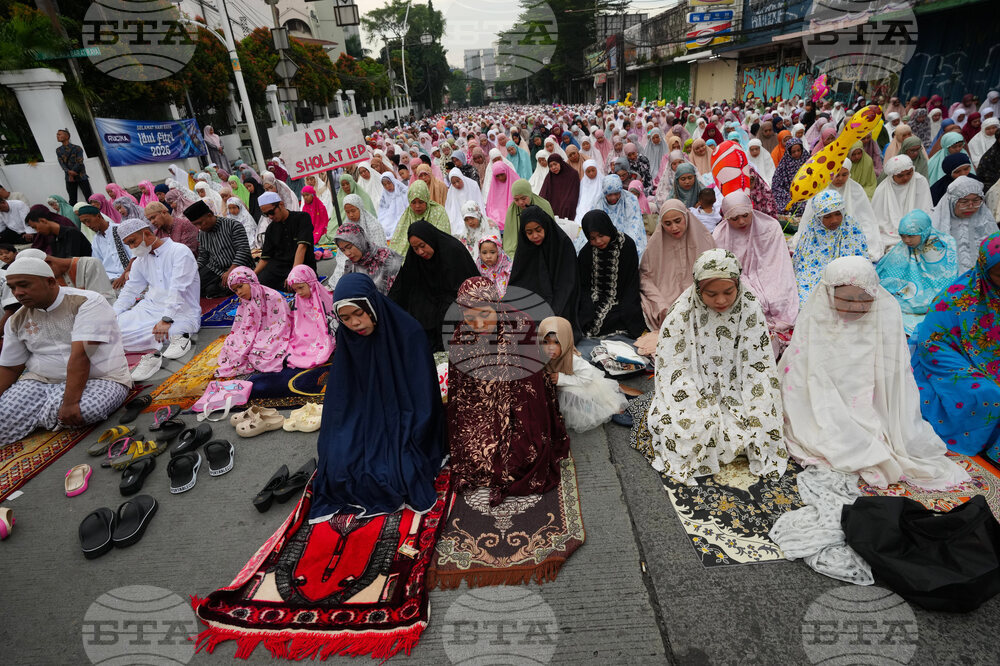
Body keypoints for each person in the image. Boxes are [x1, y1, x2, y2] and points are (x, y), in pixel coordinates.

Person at [782, 256, 970, 489]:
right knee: (824, 428)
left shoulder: (882, 321)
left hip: (868, 398)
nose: (857, 306)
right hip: (823, 396)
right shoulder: (817, 321)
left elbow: (891, 377)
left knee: (872, 433)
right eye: (847, 299)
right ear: (829, 296)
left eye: (865, 298)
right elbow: (804, 374)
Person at [634, 249, 787, 486]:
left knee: (763, 423)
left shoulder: (749, 307)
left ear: (738, 285)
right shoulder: (682, 313)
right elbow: (674, 369)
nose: (721, 301)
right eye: (711, 293)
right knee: (690, 426)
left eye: (728, 292)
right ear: (697, 289)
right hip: (694, 387)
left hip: (740, 387)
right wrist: (697, 398)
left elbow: (759, 365)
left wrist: (753, 398)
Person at [309, 273, 445, 520]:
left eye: (359, 313)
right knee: (338, 463)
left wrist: (400, 426)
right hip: (363, 415)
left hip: (405, 413)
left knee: (397, 468)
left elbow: (423, 395)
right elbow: (342, 397)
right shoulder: (347, 338)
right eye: (346, 318)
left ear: (372, 304)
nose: (355, 324)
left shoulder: (409, 332)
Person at [447, 276, 569, 502]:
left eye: (485, 314)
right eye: (470, 317)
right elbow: (462, 397)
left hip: (519, 404)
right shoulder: (461, 337)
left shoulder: (520, 326)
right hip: (481, 408)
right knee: (472, 454)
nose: (479, 324)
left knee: (522, 457)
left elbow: (531, 391)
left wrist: (505, 421)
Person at [0, 257, 131, 446]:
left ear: (50, 282)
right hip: (41, 381)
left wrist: (70, 403)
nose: (17, 293)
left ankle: (44, 414)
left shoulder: (87, 302)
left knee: (86, 410)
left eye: (24, 285)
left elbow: (82, 354)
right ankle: (51, 414)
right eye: (12, 287)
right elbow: (11, 368)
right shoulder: (17, 319)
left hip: (100, 378)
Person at [913, 232, 1000, 456]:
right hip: (954, 363)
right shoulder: (955, 299)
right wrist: (975, 370)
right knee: (989, 393)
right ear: (984, 270)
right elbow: (932, 344)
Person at [714, 190, 798, 353]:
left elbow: (778, 262)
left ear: (751, 209)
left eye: (745, 215)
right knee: (752, 302)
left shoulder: (770, 226)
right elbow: (725, 270)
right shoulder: (720, 235)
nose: (741, 221)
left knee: (779, 298)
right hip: (740, 277)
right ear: (726, 218)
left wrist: (768, 282)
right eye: (734, 218)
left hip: (770, 272)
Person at [388, 220, 478, 352]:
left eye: (422, 245)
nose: (420, 251)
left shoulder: (453, 250)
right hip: (430, 297)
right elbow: (404, 285)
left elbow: (467, 286)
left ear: (429, 238)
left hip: (456, 298)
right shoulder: (415, 257)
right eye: (415, 248)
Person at [114, 218, 201, 355]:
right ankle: (164, 340)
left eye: (132, 241)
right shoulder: (140, 261)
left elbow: (178, 289)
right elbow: (130, 291)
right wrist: (113, 314)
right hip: (149, 309)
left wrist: (167, 319)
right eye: (128, 244)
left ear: (147, 234)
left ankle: (178, 337)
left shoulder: (179, 251)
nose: (131, 248)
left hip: (181, 312)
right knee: (111, 328)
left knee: (172, 331)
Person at [876, 210, 958, 337]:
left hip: (935, 298)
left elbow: (947, 278)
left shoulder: (944, 245)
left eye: (911, 236)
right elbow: (888, 275)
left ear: (924, 231)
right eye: (902, 236)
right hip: (908, 298)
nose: (906, 240)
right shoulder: (901, 249)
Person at [540, 316, 628, 431]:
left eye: (556, 342)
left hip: (585, 385)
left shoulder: (573, 360)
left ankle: (606, 409)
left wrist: (561, 379)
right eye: (545, 342)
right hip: (564, 384)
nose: (550, 348)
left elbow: (586, 378)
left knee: (581, 398)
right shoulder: (544, 355)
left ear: (566, 341)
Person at [509, 205, 583, 341]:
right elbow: (519, 281)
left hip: (561, 296)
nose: (535, 236)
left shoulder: (562, 244)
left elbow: (568, 283)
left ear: (546, 226)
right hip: (536, 297)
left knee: (553, 324)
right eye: (529, 232)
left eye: (538, 230)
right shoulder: (525, 247)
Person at [639, 200, 715, 330]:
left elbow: (714, 272)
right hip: (666, 296)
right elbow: (645, 277)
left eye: (678, 221)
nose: (674, 228)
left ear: (686, 217)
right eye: (667, 224)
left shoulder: (704, 239)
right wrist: (660, 302)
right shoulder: (655, 245)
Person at [793, 190, 870, 306]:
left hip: (848, 276)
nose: (834, 220)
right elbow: (803, 265)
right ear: (819, 217)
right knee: (808, 302)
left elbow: (861, 260)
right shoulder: (812, 231)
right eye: (827, 216)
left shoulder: (851, 227)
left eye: (838, 214)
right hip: (816, 276)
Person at [578, 210, 645, 339]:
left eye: (601, 235)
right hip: (595, 298)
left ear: (608, 228)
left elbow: (631, 281)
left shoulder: (626, 245)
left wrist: (627, 306)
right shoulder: (586, 253)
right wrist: (588, 305)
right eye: (592, 238)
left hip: (621, 299)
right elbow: (583, 285)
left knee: (623, 317)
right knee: (585, 317)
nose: (598, 241)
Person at [799, 159, 883, 261]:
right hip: (824, 232)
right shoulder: (820, 188)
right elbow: (810, 219)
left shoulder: (856, 189)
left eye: (845, 174)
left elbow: (866, 218)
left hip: (852, 232)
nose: (840, 179)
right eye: (836, 175)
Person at [216, 267, 291, 377]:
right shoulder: (245, 302)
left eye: (241, 286)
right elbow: (241, 326)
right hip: (254, 334)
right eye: (235, 290)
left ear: (251, 281)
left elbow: (282, 323)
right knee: (233, 347)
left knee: (262, 353)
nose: (239, 292)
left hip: (272, 333)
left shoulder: (273, 297)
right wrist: (249, 339)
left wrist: (260, 338)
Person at [184, 200, 253, 298]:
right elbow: (204, 256)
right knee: (193, 285)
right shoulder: (202, 234)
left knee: (211, 290)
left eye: (200, 223)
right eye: (195, 225)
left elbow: (243, 250)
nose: (199, 227)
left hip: (238, 267)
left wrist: (230, 271)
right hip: (216, 269)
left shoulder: (233, 225)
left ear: (209, 215)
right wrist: (195, 269)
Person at [929, 176, 997, 274]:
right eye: (964, 202)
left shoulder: (985, 218)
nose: (970, 206)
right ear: (952, 201)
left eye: (975, 201)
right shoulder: (936, 222)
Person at [870, 155, 933, 255]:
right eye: (900, 175)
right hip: (891, 234)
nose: (906, 178)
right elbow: (877, 220)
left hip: (918, 229)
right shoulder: (882, 190)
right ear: (892, 175)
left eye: (909, 173)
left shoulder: (920, 181)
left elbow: (926, 210)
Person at [255, 191, 316, 292]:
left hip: (301, 266)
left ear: (281, 204)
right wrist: (252, 275)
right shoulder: (270, 228)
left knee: (298, 286)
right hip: (279, 268)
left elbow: (302, 247)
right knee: (258, 286)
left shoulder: (302, 218)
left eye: (271, 212)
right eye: (266, 215)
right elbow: (265, 258)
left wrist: (294, 274)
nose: (270, 217)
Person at [285, 265, 335, 368]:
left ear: (311, 282)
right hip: (305, 332)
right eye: (295, 290)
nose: (299, 292)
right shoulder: (298, 299)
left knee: (324, 346)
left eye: (301, 287)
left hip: (322, 332)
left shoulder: (324, 297)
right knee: (296, 345)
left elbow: (330, 318)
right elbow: (298, 322)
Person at [333, 221, 403, 295]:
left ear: (360, 241)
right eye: (343, 250)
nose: (347, 253)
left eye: (349, 247)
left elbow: (399, 293)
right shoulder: (351, 265)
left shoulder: (387, 258)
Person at [386, 181, 452, 255]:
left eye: (421, 202)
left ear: (426, 199)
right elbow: (399, 241)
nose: (417, 206)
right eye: (413, 202)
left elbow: (444, 239)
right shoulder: (408, 214)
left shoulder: (438, 211)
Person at [76, 205, 130, 284]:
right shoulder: (96, 240)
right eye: (84, 223)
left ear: (98, 216)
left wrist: (123, 276)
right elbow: (98, 264)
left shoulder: (120, 229)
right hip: (110, 279)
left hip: (130, 274)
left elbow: (135, 256)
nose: (87, 225)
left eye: (88, 221)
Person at [594, 175, 647, 257]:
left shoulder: (631, 200)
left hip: (627, 236)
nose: (613, 197)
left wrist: (624, 243)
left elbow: (634, 224)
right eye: (609, 195)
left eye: (616, 193)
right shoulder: (598, 202)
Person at [503, 179, 554, 257]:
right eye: (516, 200)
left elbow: (552, 232)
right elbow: (510, 241)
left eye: (523, 198)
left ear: (529, 194)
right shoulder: (512, 211)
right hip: (522, 250)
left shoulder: (544, 205)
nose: (520, 202)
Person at [44, 255, 116, 304]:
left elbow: (102, 301)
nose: (49, 280)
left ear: (48, 263)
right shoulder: (53, 280)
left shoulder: (90, 264)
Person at [24, 206, 91, 258]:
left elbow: (71, 261)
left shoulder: (71, 233)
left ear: (43, 221)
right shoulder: (54, 239)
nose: (37, 231)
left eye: (35, 227)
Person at [772, 137, 810, 216]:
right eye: (793, 152)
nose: (796, 153)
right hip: (789, 195)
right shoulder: (784, 165)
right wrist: (788, 196)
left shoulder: (808, 161)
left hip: (807, 193)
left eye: (799, 150)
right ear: (788, 152)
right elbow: (776, 185)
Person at [56, 129, 92, 205]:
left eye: (59, 134)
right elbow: (61, 163)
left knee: (89, 198)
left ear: (67, 136)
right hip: (69, 178)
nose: (57, 136)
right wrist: (69, 172)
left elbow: (80, 161)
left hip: (81, 175)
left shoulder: (77, 148)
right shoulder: (58, 150)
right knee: (72, 200)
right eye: (57, 134)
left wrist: (72, 172)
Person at [538, 154, 580, 220]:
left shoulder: (572, 174)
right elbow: (543, 194)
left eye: (555, 164)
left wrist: (566, 204)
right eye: (550, 166)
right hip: (553, 206)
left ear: (560, 162)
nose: (553, 168)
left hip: (568, 205)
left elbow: (574, 193)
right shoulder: (549, 177)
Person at [376, 172, 409, 238]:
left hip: (404, 216)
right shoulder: (384, 195)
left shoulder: (403, 191)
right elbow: (382, 211)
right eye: (385, 185)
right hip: (390, 218)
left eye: (389, 183)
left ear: (393, 181)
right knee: (383, 227)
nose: (387, 186)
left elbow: (407, 206)